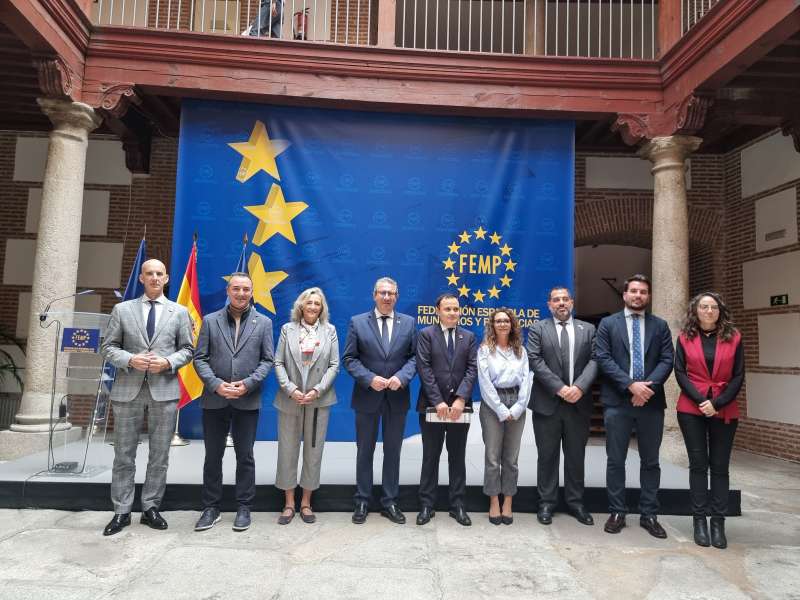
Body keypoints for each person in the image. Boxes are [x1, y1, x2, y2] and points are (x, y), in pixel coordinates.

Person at [100, 259, 195, 536]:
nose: (154, 277)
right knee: (123, 454)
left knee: (159, 455)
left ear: (166, 279)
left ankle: (151, 507)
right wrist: (131, 359)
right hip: (127, 390)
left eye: (159, 274)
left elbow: (188, 350)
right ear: (141, 278)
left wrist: (167, 362)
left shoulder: (179, 312)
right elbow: (108, 347)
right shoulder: (122, 310)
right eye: (149, 273)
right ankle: (121, 511)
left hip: (164, 390)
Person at [192, 273, 274, 532]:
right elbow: (200, 358)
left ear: (252, 292)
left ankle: (244, 507)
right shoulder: (210, 321)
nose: (241, 293)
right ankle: (211, 508)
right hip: (215, 399)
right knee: (212, 456)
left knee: (245, 456)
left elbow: (267, 360)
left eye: (246, 289)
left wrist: (247, 384)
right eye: (236, 289)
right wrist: (216, 384)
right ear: (228, 290)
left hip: (246, 399)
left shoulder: (264, 323)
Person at [594, 274, 674, 538]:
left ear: (648, 296)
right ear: (625, 295)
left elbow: (667, 359)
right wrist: (631, 385)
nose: (638, 295)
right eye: (634, 291)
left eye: (643, 292)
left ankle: (649, 513)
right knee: (615, 460)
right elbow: (603, 358)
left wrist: (647, 389)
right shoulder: (607, 324)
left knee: (650, 461)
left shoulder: (660, 325)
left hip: (650, 403)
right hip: (618, 401)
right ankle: (617, 511)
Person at [343, 277, 417, 525]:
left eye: (392, 293)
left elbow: (415, 358)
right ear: (374, 294)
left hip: (397, 398)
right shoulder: (357, 322)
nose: (387, 297)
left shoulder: (408, 323)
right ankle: (362, 500)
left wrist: (401, 377)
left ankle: (390, 501)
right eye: (383, 293)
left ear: (397, 296)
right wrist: (369, 378)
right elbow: (350, 359)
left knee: (393, 451)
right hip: (367, 396)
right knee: (365, 451)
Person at [675, 292, 743, 549]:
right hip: (691, 409)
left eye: (713, 307)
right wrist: (701, 401)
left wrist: (717, 403)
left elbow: (738, 376)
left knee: (720, 467)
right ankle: (699, 521)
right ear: (696, 310)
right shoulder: (684, 338)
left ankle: (718, 521)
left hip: (724, 408)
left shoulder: (734, 337)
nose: (709, 311)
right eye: (703, 306)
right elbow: (680, 372)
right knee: (698, 465)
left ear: (720, 311)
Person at [527, 287, 598, 526]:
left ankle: (576, 503)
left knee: (576, 456)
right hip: (548, 403)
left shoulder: (588, 330)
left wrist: (579, 387)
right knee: (547, 456)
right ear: (549, 305)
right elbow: (534, 359)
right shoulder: (538, 329)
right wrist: (560, 388)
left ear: (572, 302)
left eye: (565, 299)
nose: (561, 303)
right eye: (556, 300)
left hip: (579, 403)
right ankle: (546, 502)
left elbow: (596, 360)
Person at [273, 287, 339, 524]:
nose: (313, 307)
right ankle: (289, 503)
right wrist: (290, 389)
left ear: (322, 308)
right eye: (309, 302)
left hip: (318, 400)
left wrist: (316, 390)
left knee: (313, 451)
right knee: (287, 450)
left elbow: (334, 365)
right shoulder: (286, 330)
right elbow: (278, 362)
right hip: (290, 398)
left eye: (317, 304)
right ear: (301, 305)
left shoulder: (329, 331)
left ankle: (306, 503)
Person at [415, 293, 477, 526]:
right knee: (430, 457)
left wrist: (461, 398)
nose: (452, 312)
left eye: (456, 309)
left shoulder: (469, 337)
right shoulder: (426, 335)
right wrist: (439, 401)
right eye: (448, 309)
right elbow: (424, 368)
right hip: (432, 406)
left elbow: (472, 369)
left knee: (457, 457)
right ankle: (426, 505)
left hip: (461, 409)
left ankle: (458, 505)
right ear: (438, 311)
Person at [477, 307, 530, 525]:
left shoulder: (521, 351)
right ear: (492, 325)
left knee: (511, 458)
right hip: (492, 404)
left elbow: (527, 380)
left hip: (517, 401)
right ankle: (493, 501)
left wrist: (518, 407)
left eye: (506, 321)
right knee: (492, 456)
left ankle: (508, 500)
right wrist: (500, 409)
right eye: (498, 321)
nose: (502, 324)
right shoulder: (484, 350)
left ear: (512, 324)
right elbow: (484, 382)